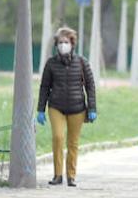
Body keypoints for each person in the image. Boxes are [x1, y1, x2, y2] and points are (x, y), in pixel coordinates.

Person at [36, 27, 97, 186]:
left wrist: (92, 108)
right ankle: (57, 175)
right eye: (60, 42)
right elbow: (44, 87)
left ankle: (71, 176)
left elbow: (90, 86)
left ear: (72, 43)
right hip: (56, 106)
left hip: (77, 108)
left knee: (73, 143)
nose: (63, 45)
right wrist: (40, 109)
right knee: (58, 137)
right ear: (56, 45)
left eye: (66, 42)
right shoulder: (51, 64)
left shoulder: (82, 62)